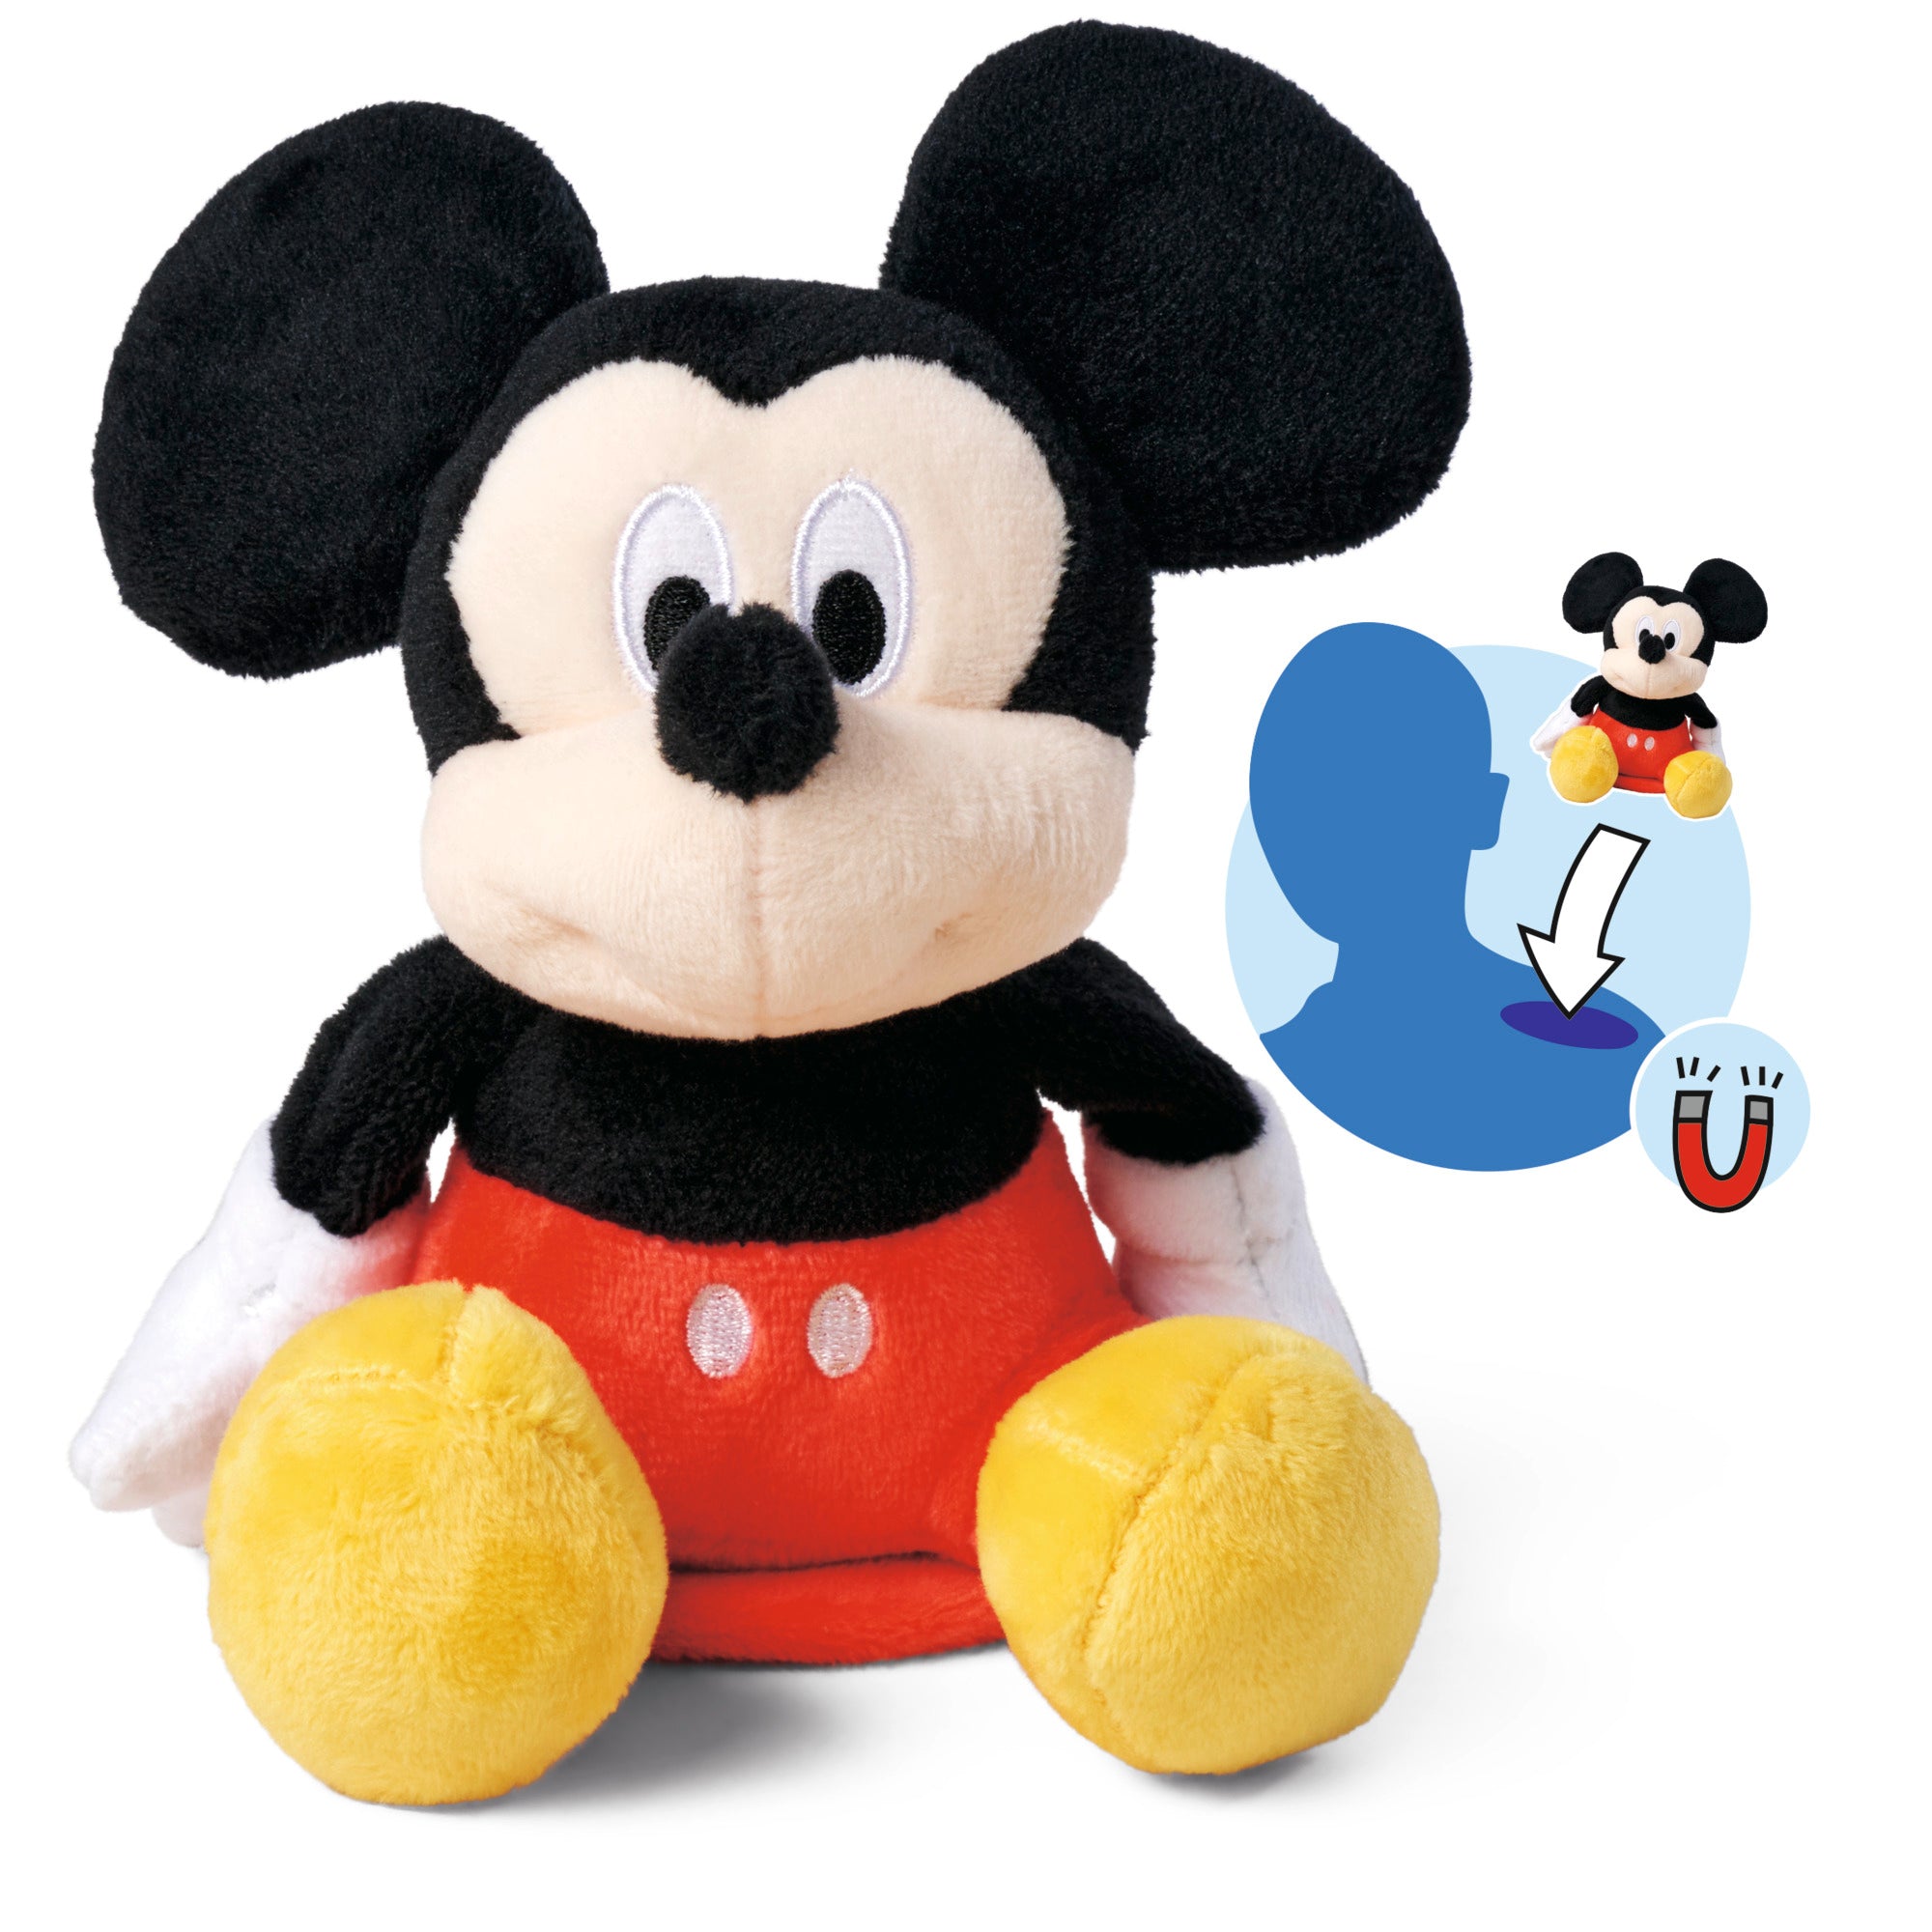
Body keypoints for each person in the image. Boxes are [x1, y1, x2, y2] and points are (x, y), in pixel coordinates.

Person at [1251, 623, 1659, 1169]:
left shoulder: (1621, 1068)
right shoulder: (1264, 1085)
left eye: (1385, 786)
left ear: (1482, 809)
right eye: (1295, 790)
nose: (1330, 828)